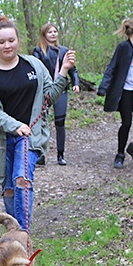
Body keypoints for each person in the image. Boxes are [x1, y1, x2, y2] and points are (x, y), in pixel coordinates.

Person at [0, 16, 75, 234]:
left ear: (18, 41)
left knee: (22, 181)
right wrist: (15, 125)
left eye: (11, 40)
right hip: (2, 140)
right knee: (9, 188)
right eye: (1, 42)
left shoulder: (35, 66)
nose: (7, 45)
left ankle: (22, 236)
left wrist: (64, 71)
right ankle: (14, 230)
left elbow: (49, 97)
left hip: (30, 135)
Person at [97, 18, 133, 169]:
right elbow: (112, 66)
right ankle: (120, 154)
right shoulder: (123, 47)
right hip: (125, 92)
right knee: (126, 123)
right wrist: (103, 87)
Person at [33, 23, 80, 166]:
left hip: (61, 90)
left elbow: (73, 70)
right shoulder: (38, 51)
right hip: (44, 91)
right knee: (41, 122)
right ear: (44, 34)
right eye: (49, 32)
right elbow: (35, 70)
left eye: (55, 31)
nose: (53, 34)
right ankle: (41, 154)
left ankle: (61, 155)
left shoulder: (64, 51)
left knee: (60, 123)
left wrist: (75, 83)